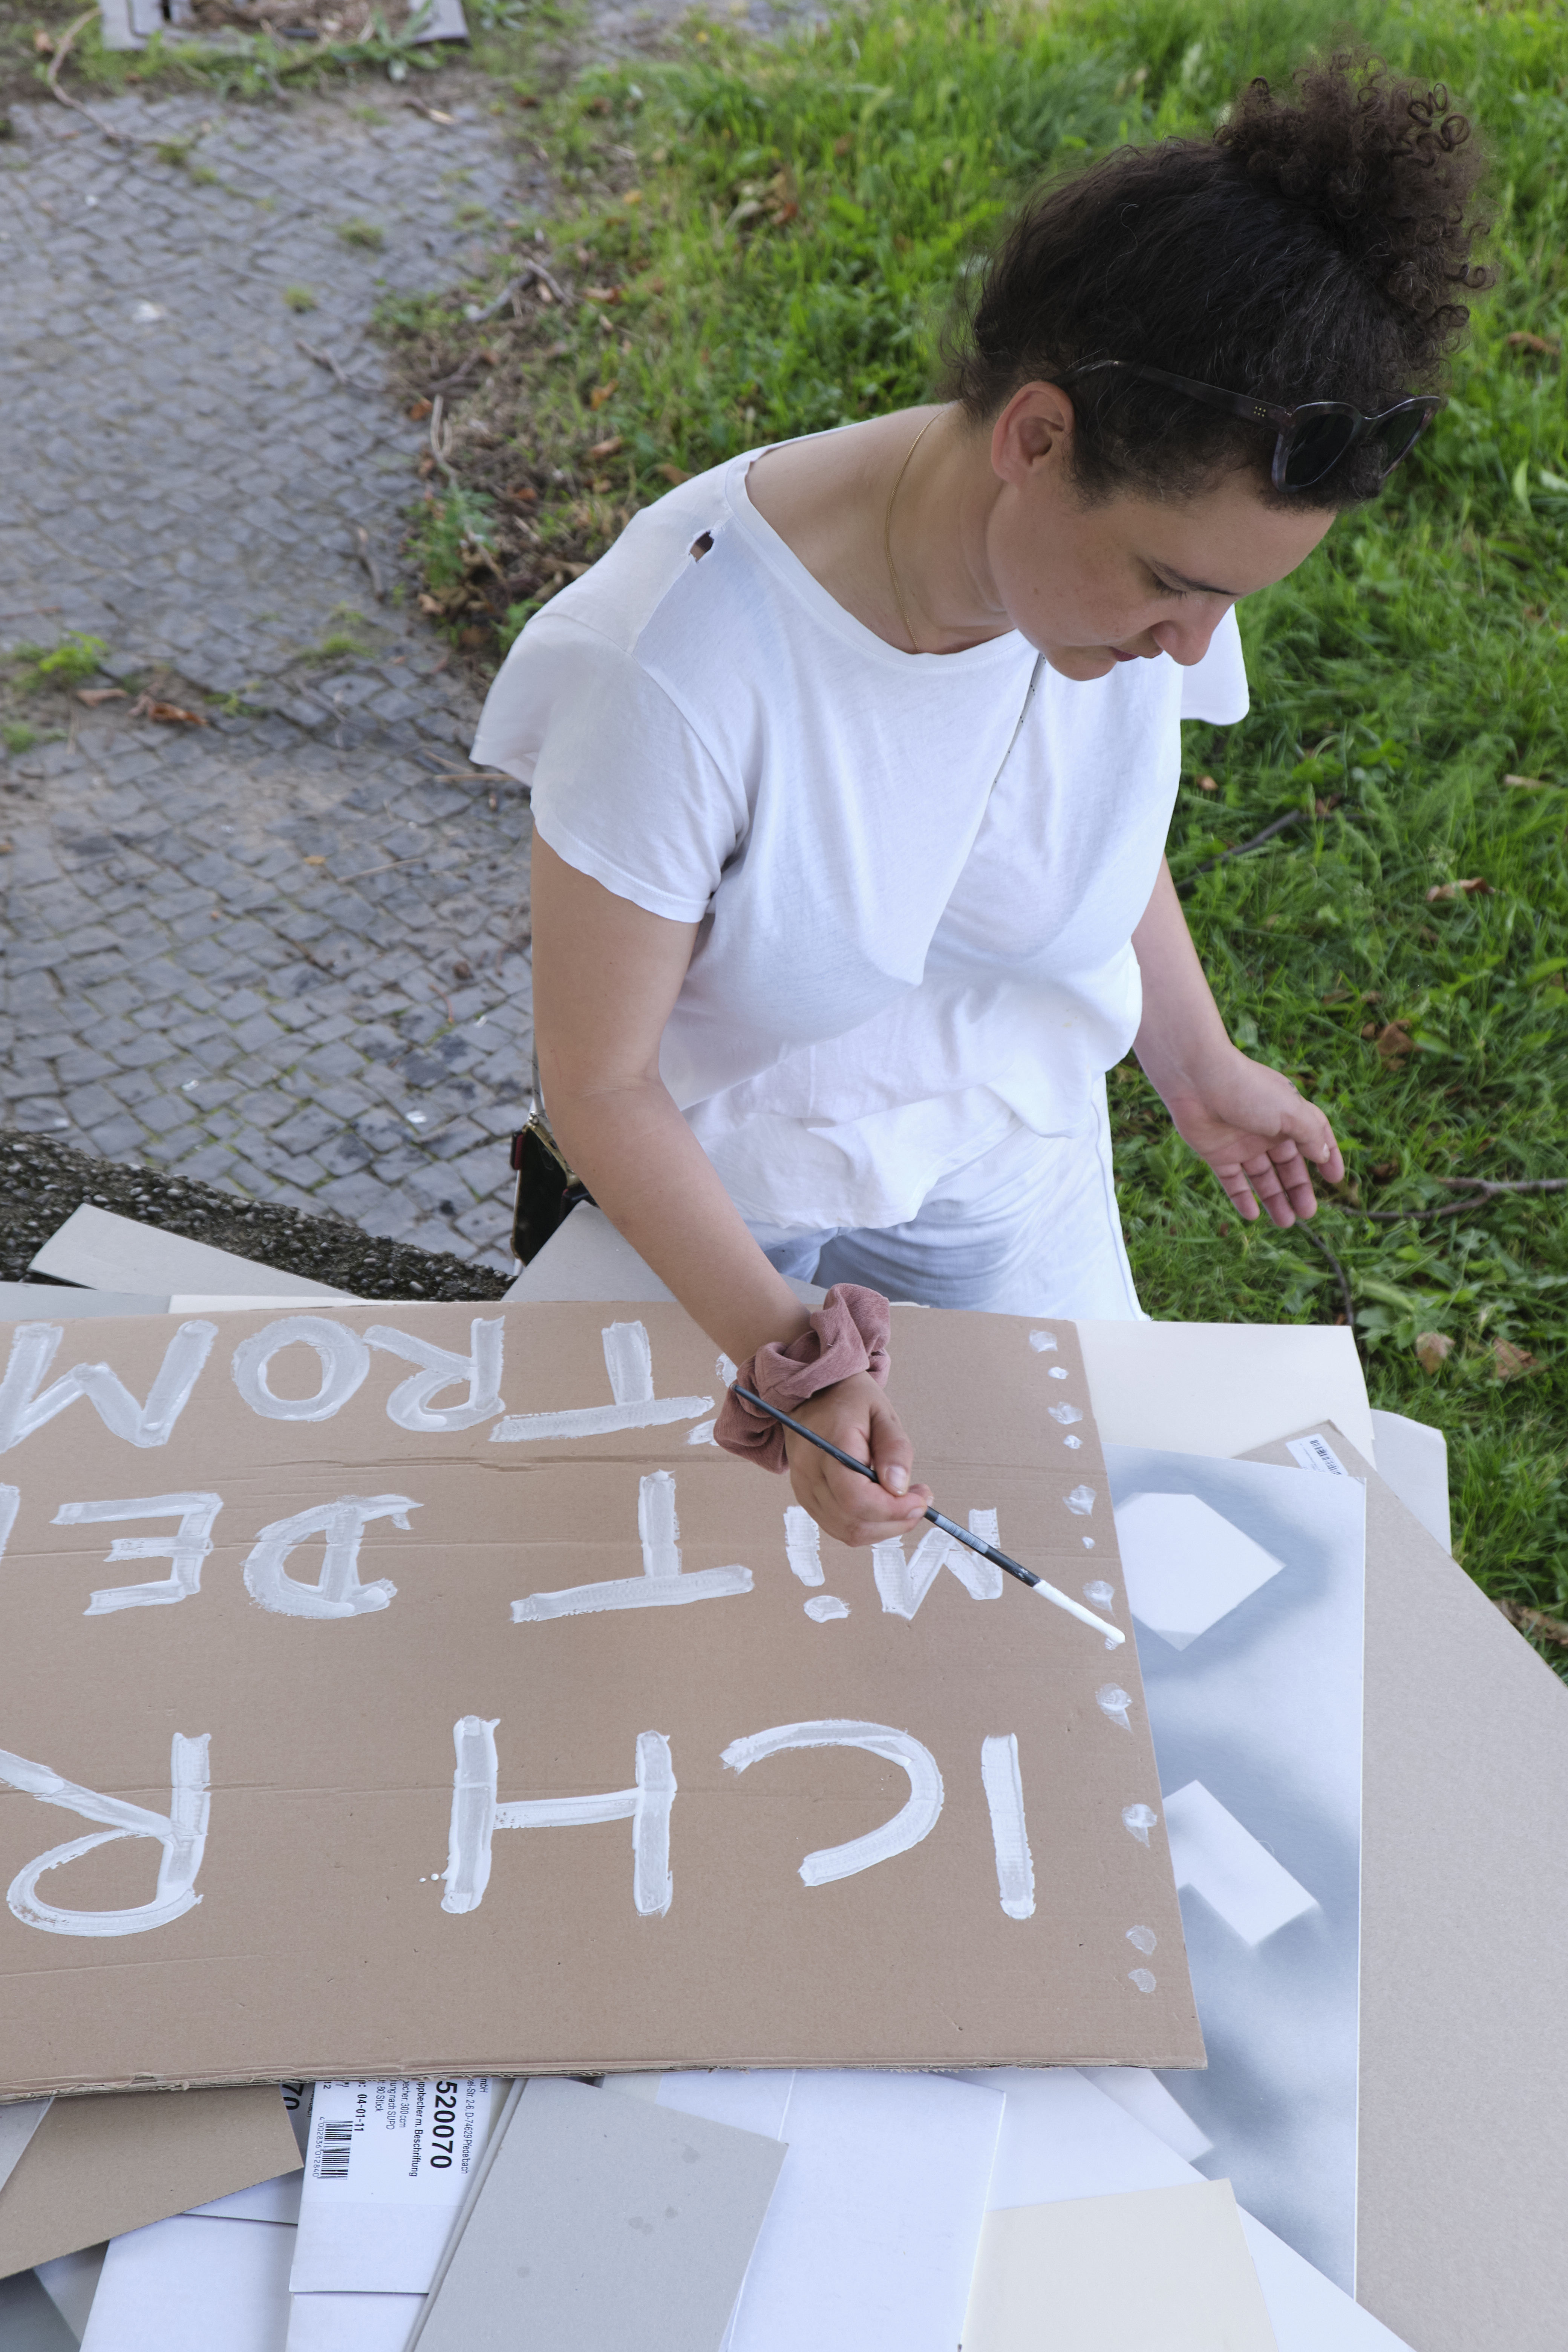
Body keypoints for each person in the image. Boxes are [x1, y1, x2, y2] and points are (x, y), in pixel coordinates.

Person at [471, 56, 1489, 1548]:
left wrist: (1195, 1060)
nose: (1195, 649)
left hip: (1006, 1143)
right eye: (1176, 587)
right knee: (683, 1610)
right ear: (1035, 438)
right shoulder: (675, 673)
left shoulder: (1117, 580)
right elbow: (601, 1084)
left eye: (1231, 600)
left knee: (1079, 1554)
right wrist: (791, 1358)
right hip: (714, 1187)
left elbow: (1079, 833)